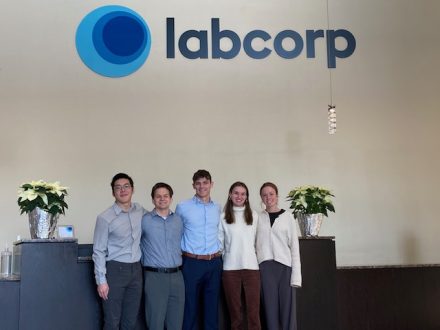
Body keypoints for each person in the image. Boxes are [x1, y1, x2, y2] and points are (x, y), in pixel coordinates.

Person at [92, 173, 145, 330]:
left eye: (126, 186)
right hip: (115, 270)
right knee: (112, 320)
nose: (123, 190)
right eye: (118, 187)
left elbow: (155, 221)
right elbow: (99, 251)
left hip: (136, 270)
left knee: (131, 320)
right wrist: (101, 280)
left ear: (132, 189)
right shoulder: (104, 218)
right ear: (113, 192)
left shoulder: (140, 211)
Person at [175, 169, 222, 330]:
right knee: (190, 308)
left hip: (214, 262)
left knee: (211, 309)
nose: (202, 186)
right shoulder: (183, 207)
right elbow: (177, 232)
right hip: (191, 263)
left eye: (205, 183)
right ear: (193, 185)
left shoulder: (218, 207)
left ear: (211, 184)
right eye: (198, 183)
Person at [256, 182, 302, 330]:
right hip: (265, 269)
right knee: (270, 312)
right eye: (264, 194)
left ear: (277, 196)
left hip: (285, 269)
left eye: (271, 194)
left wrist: (296, 277)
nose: (268, 197)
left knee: (287, 312)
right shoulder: (257, 218)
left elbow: (295, 248)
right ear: (261, 198)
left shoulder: (288, 217)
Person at [140, 182, 185, 330]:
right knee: (155, 322)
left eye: (166, 196)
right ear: (152, 199)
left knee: (176, 323)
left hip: (177, 276)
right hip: (155, 277)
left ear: (171, 199)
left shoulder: (179, 220)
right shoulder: (144, 220)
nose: (162, 199)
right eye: (158, 196)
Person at [219, 182, 261, 330]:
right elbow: (220, 243)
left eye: (243, 194)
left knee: (253, 314)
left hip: (251, 269)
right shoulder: (223, 217)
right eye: (236, 193)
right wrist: (229, 256)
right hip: (230, 270)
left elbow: (257, 241)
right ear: (230, 195)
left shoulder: (254, 216)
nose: (239, 196)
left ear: (247, 197)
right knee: (235, 314)